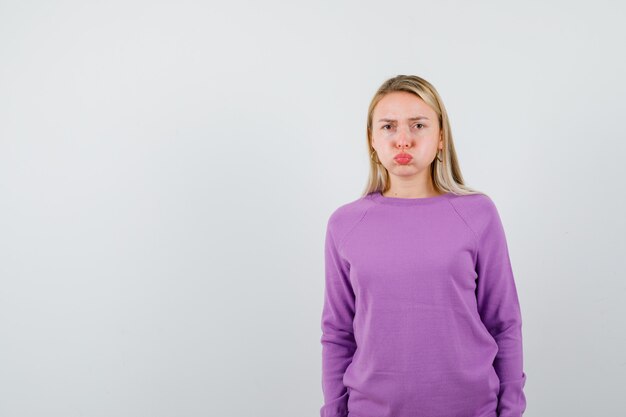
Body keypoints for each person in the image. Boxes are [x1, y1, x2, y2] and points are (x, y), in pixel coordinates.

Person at [319, 75, 527, 417]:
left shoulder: (478, 214)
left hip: (470, 409)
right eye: (388, 127)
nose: (403, 140)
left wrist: (511, 410)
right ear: (372, 139)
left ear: (441, 137)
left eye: (418, 125)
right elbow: (338, 333)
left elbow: (504, 322)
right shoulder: (344, 225)